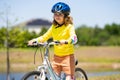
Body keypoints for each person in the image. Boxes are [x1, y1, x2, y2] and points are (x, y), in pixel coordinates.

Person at [28, 2, 77, 80]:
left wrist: (66, 41)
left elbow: (74, 38)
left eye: (60, 14)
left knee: (69, 77)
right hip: (57, 57)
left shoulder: (69, 27)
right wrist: (35, 40)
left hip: (68, 57)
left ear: (65, 16)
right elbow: (45, 36)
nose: (57, 16)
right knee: (53, 78)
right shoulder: (54, 27)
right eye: (55, 14)